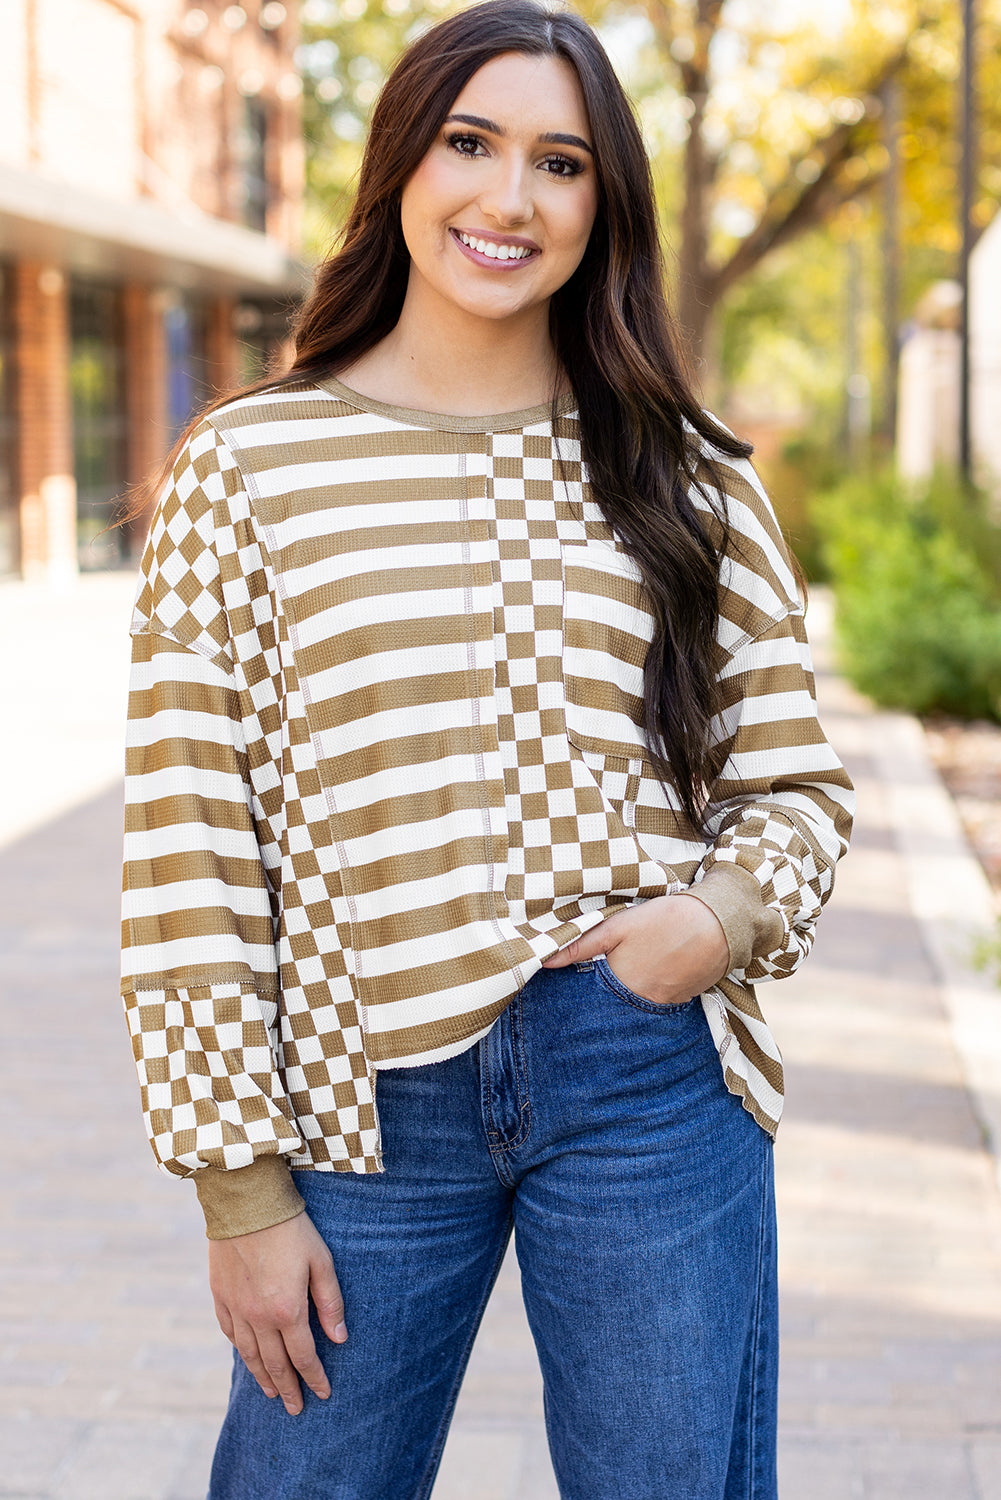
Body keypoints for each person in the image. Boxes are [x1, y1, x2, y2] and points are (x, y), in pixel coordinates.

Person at [120, 3, 854, 1495]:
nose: (508, 200)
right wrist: (238, 1193)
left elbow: (793, 785)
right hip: (357, 1097)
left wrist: (706, 927)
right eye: (469, 144)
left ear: (603, 204)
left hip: (643, 1075)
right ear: (402, 162)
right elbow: (189, 847)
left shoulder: (683, 469)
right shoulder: (247, 470)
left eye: (560, 162)